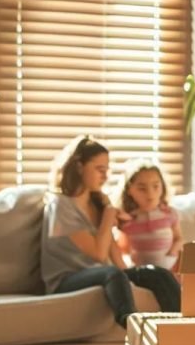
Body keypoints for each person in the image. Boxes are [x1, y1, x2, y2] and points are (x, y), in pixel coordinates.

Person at [41, 136, 181, 326]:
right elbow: (99, 253)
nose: (105, 177)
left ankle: (183, 327)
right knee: (112, 273)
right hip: (66, 279)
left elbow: (111, 248)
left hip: (103, 273)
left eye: (107, 170)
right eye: (100, 170)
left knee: (157, 273)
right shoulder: (61, 205)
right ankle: (132, 326)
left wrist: (131, 275)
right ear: (79, 167)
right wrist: (109, 213)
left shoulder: (96, 201)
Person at [114, 157, 183, 271]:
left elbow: (178, 238)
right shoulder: (128, 220)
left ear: (162, 187)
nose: (150, 194)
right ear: (129, 190)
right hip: (141, 271)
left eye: (156, 186)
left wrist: (171, 254)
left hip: (169, 268)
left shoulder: (170, 214)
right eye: (142, 188)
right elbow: (123, 249)